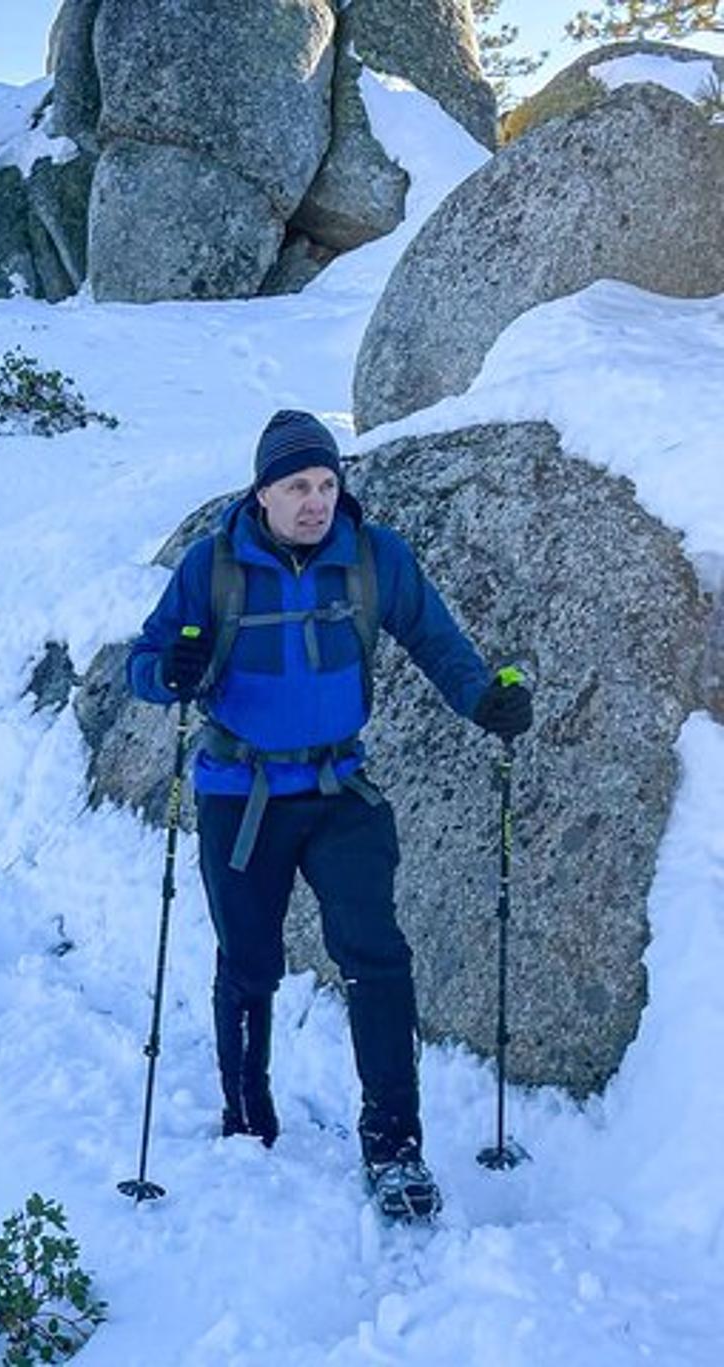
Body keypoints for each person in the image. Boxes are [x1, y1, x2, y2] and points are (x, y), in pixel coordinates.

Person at [126, 409, 533, 1220]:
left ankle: (394, 1145)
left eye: (326, 482)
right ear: (263, 491)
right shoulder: (213, 567)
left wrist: (482, 699)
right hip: (239, 794)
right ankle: (248, 1121)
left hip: (342, 790)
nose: (316, 500)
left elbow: (435, 639)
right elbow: (144, 660)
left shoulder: (375, 557)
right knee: (249, 963)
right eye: (297, 485)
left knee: (375, 953)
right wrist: (168, 673)